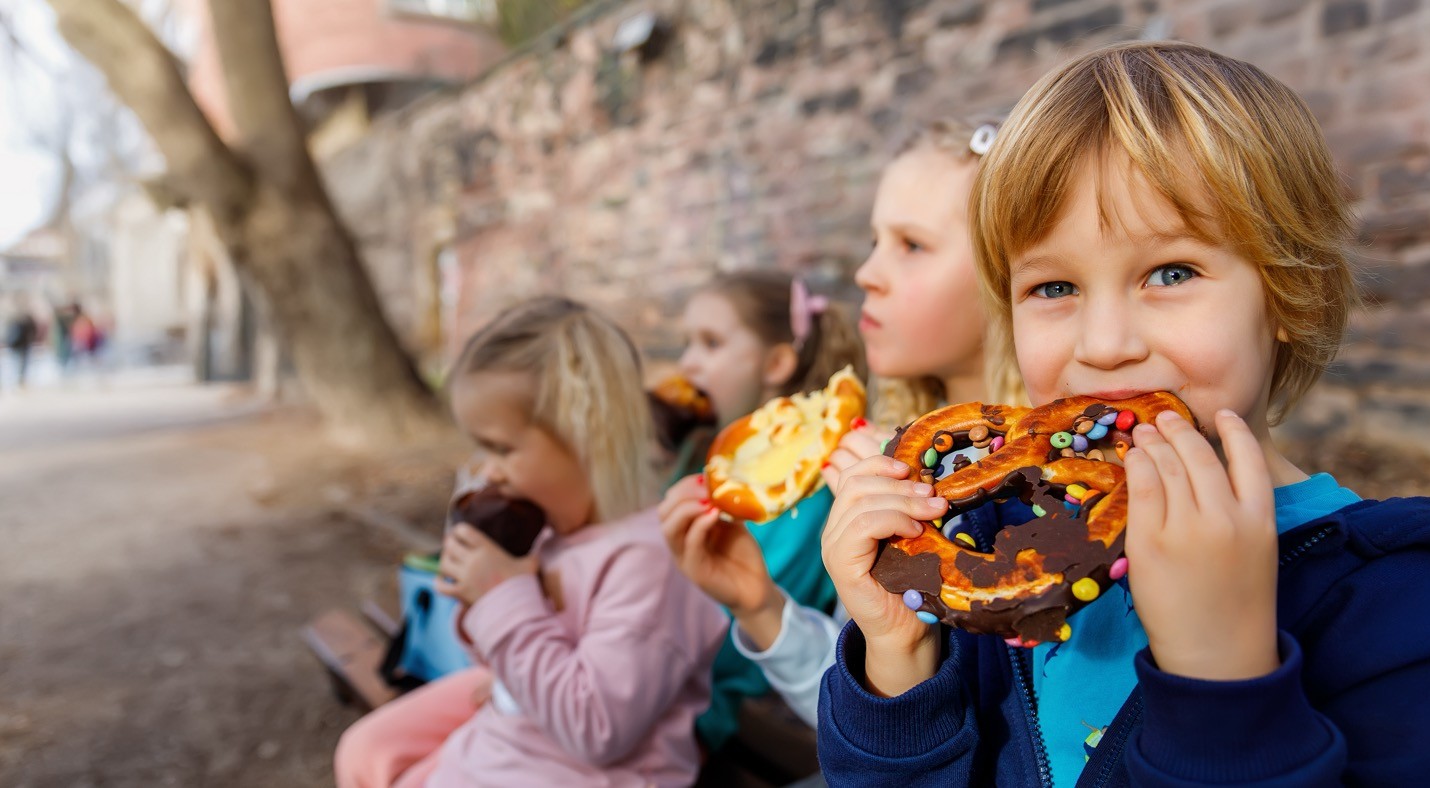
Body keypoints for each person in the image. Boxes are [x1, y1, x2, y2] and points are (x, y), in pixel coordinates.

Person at [817, 41, 1430, 786]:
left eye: (1170, 272)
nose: (1104, 345)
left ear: (1290, 294)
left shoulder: (1408, 607)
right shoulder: (1000, 554)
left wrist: (1221, 674)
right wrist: (897, 659)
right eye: (1053, 288)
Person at [661, 118, 1025, 730]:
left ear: (1012, 275)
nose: (865, 274)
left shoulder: (1050, 483)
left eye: (911, 245)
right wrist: (760, 607)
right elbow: (863, 725)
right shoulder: (879, 454)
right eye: (874, 241)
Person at [335, 297, 727, 788]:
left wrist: (501, 597)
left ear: (589, 435)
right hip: (525, 731)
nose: (488, 469)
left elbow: (598, 730)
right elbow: (511, 650)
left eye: (501, 448)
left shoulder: (649, 561)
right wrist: (478, 598)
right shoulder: (548, 530)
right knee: (367, 752)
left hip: (592, 771)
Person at [654, 269, 866, 751]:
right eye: (687, 343)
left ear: (775, 364)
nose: (687, 363)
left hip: (694, 701)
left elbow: (735, 643)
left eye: (710, 343)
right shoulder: (700, 455)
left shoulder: (796, 496)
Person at [5, 297, 38, 389]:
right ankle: (18, 380)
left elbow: (33, 330)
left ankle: (20, 380)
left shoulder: (25, 319)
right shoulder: (16, 319)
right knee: (18, 364)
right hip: (19, 345)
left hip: (23, 345)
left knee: (21, 364)